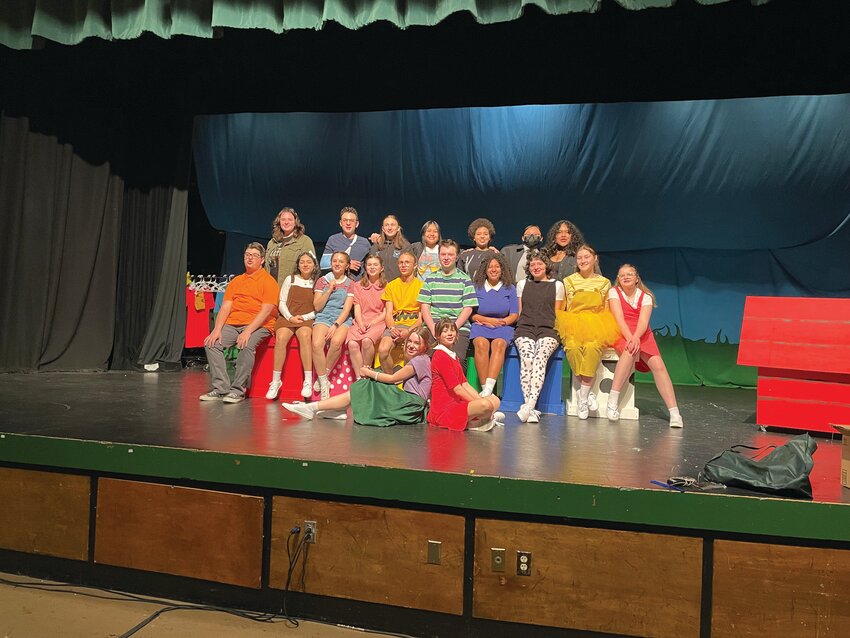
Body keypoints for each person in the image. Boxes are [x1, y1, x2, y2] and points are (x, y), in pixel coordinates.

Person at [283, 327, 432, 427]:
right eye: (409, 342)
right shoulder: (417, 360)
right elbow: (396, 377)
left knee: (368, 384)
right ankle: (321, 408)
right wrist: (373, 374)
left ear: (425, 346)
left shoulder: (420, 360)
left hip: (410, 405)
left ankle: (314, 407)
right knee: (369, 384)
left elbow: (393, 379)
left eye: (417, 343)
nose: (411, 345)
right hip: (408, 403)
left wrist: (369, 372)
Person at [201, 242, 278, 404]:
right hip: (234, 323)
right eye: (247, 255)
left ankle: (238, 389)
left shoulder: (268, 281)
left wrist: (248, 331)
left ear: (262, 260)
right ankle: (220, 387)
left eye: (254, 255)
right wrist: (217, 329)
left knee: (246, 344)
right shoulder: (236, 281)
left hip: (260, 325)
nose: (250, 258)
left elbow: (265, 311)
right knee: (211, 343)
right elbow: (226, 307)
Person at [607, 264, 683, 428]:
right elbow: (619, 318)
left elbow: (643, 322)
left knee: (658, 365)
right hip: (621, 332)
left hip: (642, 334)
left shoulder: (646, 296)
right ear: (618, 280)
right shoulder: (614, 292)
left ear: (636, 278)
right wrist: (630, 338)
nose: (626, 277)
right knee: (628, 352)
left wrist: (636, 337)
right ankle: (612, 400)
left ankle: (674, 413)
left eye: (630, 274)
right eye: (622, 275)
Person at [555, 245, 621, 419]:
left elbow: (606, 309)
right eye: (579, 258)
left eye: (586, 257)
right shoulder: (568, 281)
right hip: (574, 321)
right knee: (573, 347)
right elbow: (564, 307)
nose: (583, 261)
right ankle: (587, 389)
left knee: (592, 348)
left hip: (596, 322)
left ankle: (583, 395)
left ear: (594, 259)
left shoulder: (604, 282)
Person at [512, 251, 565, 423]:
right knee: (527, 359)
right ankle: (531, 409)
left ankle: (529, 406)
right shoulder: (521, 284)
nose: (536, 267)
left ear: (546, 266)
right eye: (532, 264)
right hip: (525, 328)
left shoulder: (557, 286)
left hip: (548, 330)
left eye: (539, 264)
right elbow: (521, 311)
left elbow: (558, 313)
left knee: (540, 357)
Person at [428, 319, 504, 431]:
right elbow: (457, 389)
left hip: (457, 403)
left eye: (452, 330)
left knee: (495, 400)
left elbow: (465, 384)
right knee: (486, 405)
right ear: (438, 336)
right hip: (445, 409)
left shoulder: (453, 356)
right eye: (445, 331)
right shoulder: (440, 355)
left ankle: (483, 418)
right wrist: (481, 403)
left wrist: (481, 399)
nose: (450, 333)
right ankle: (482, 419)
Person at [264, 252, 319, 401]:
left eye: (309, 262)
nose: (305, 264)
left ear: (314, 265)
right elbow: (281, 301)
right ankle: (275, 381)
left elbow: (319, 307)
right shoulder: (291, 279)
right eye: (302, 262)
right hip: (288, 316)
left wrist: (305, 317)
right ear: (298, 265)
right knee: (281, 338)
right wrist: (290, 317)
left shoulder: (317, 282)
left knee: (305, 336)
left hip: (306, 318)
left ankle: (307, 380)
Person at [418, 239, 477, 360]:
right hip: (433, 326)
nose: (446, 258)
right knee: (425, 360)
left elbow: (468, 309)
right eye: (443, 254)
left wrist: (452, 329)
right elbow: (424, 308)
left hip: (457, 327)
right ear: (439, 256)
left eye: (450, 254)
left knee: (455, 360)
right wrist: (434, 330)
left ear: (456, 257)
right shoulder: (430, 279)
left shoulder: (465, 280)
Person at [470, 253, 518, 398]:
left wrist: (500, 322)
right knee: (480, 344)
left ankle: (489, 389)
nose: (493, 269)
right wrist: (487, 320)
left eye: (497, 266)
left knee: (498, 344)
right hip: (481, 324)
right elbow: (471, 314)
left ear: (502, 269)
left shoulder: (510, 288)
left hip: (503, 326)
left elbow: (514, 315)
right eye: (490, 267)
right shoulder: (476, 287)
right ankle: (486, 389)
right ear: (485, 269)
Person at [312, 252, 355, 399]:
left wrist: (336, 325)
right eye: (335, 261)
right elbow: (317, 306)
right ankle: (324, 382)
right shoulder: (322, 281)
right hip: (324, 316)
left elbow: (347, 309)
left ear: (347, 265)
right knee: (317, 344)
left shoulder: (350, 284)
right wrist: (329, 289)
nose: (337, 263)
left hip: (341, 319)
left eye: (341, 261)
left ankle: (324, 374)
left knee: (336, 342)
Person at [377, 250, 423, 372]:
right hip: (395, 324)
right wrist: (392, 329)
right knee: (383, 350)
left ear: (415, 266)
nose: (403, 265)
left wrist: (408, 331)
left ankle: (407, 383)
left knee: (411, 353)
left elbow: (421, 318)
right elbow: (388, 313)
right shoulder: (391, 285)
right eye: (401, 262)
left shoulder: (421, 286)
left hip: (413, 325)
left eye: (407, 262)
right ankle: (391, 379)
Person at [346, 254, 387, 379]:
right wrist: (360, 323)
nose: (372, 267)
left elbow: (386, 311)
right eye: (369, 265)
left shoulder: (387, 286)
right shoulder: (358, 285)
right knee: (352, 343)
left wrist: (373, 322)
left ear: (381, 268)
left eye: (375, 265)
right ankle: (360, 378)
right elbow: (357, 307)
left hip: (378, 321)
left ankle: (366, 372)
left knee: (366, 341)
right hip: (361, 320)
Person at [265, 207, 315, 288]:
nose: (286, 222)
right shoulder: (272, 242)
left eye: (290, 220)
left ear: (295, 222)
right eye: (283, 219)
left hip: (292, 288)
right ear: (279, 222)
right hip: (270, 288)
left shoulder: (305, 241)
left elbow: (311, 268)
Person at [320, 206, 371, 280]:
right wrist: (347, 264)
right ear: (340, 223)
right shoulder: (333, 240)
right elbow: (323, 265)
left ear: (357, 224)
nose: (348, 223)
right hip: (337, 285)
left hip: (358, 286)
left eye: (351, 220)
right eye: (345, 220)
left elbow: (371, 264)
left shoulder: (364, 242)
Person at [368, 214, 410, 281]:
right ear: (383, 228)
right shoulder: (375, 247)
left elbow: (410, 269)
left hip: (398, 286)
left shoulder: (405, 246)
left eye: (393, 225)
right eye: (387, 225)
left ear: (398, 228)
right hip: (380, 286)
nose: (389, 228)